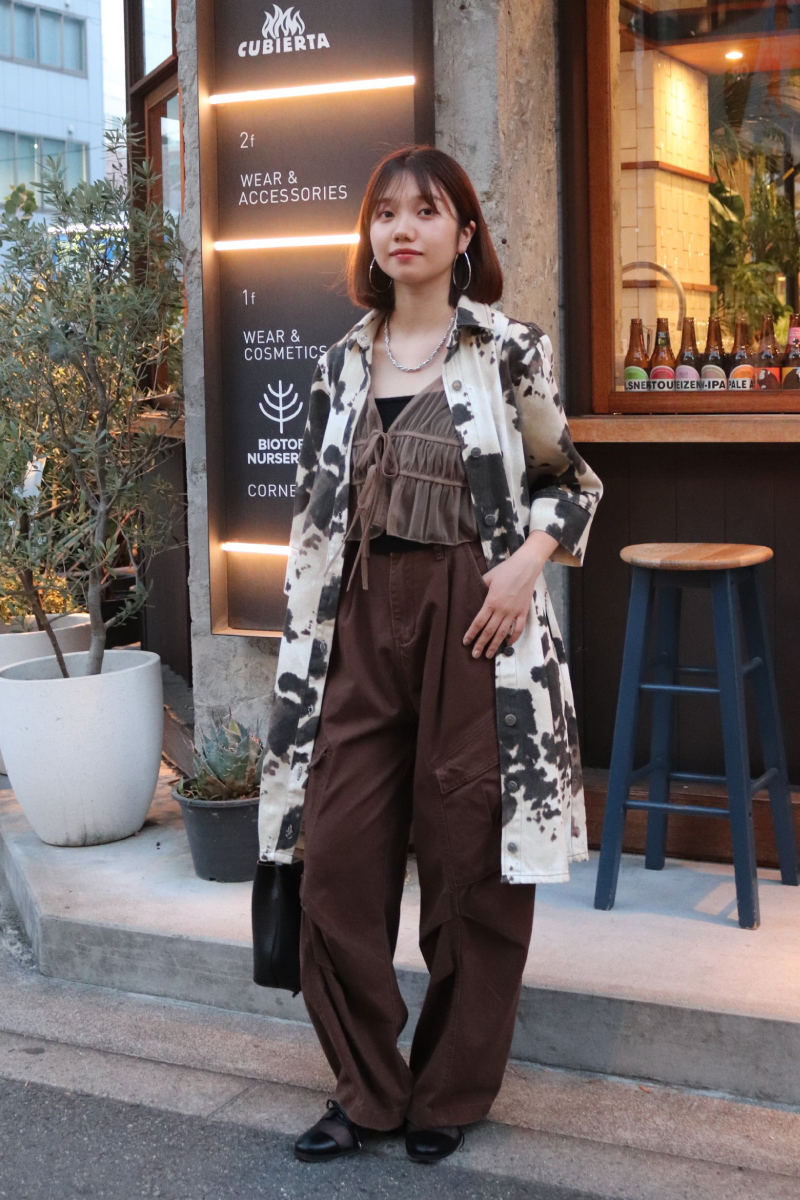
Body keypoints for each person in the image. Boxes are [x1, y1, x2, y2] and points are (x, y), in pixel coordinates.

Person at [257, 146, 603, 1166]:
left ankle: (448, 1090)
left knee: (470, 864)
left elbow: (571, 483)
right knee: (333, 862)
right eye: (386, 213)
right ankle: (366, 1088)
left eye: (427, 210)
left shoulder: (506, 349)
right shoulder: (338, 363)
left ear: (463, 234)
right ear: (369, 236)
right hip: (359, 627)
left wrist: (524, 568)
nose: (402, 228)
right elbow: (314, 521)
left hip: (475, 623)